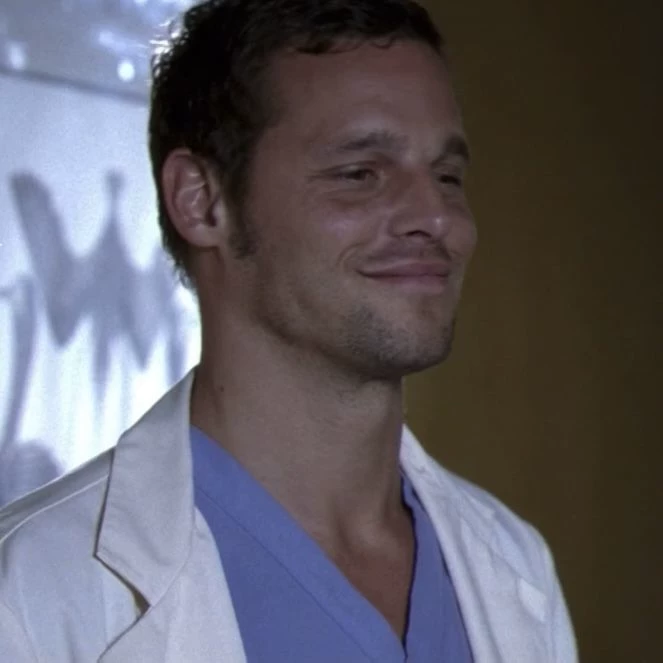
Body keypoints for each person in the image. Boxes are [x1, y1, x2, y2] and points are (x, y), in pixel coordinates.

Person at [0, 0, 577, 660]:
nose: (437, 217)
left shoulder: (514, 564)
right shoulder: (30, 593)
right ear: (201, 201)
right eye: (359, 174)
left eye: (447, 176)